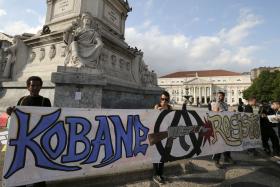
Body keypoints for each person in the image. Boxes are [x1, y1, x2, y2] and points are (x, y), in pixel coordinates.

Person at [6, 76, 51, 187]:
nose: (35, 88)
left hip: (38, 138)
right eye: (32, 85)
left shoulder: (45, 101)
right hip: (23, 138)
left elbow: (48, 118)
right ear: (28, 87)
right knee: (21, 163)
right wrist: (10, 112)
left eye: (37, 85)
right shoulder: (22, 100)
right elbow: (17, 116)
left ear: (41, 87)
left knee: (37, 163)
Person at [153, 91, 172, 184]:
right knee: (157, 154)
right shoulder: (157, 106)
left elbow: (173, 119)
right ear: (160, 99)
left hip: (166, 134)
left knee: (163, 155)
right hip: (156, 134)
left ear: (168, 100)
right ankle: (156, 174)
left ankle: (161, 174)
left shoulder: (170, 108)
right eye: (162, 99)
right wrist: (157, 111)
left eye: (166, 99)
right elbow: (152, 119)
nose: (164, 101)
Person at [212, 92, 235, 168]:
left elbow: (227, 113)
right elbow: (215, 112)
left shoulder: (225, 104)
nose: (219, 97)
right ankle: (216, 160)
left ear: (223, 96)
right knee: (219, 144)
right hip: (218, 126)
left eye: (221, 96)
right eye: (218, 96)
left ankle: (227, 157)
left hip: (225, 125)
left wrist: (231, 112)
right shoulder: (215, 103)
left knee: (227, 142)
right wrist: (217, 103)